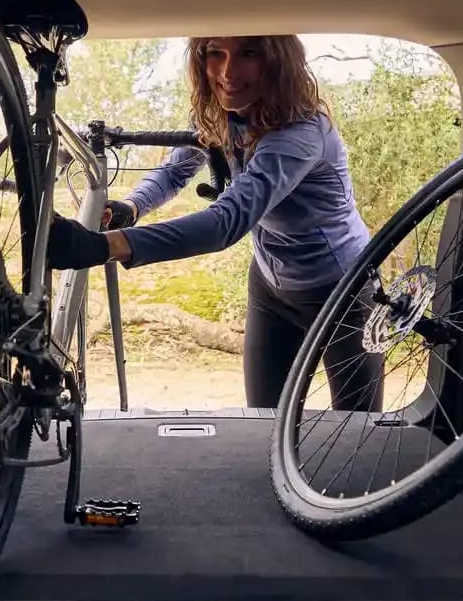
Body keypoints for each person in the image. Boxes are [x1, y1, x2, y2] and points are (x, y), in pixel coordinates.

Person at [46, 35, 384, 410]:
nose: (227, 72)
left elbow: (226, 221)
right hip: (271, 287)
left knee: (358, 429)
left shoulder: (301, 132)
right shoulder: (221, 114)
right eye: (215, 53)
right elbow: (175, 171)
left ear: (278, 61)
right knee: (263, 421)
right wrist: (132, 207)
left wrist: (104, 246)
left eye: (248, 53)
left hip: (343, 289)